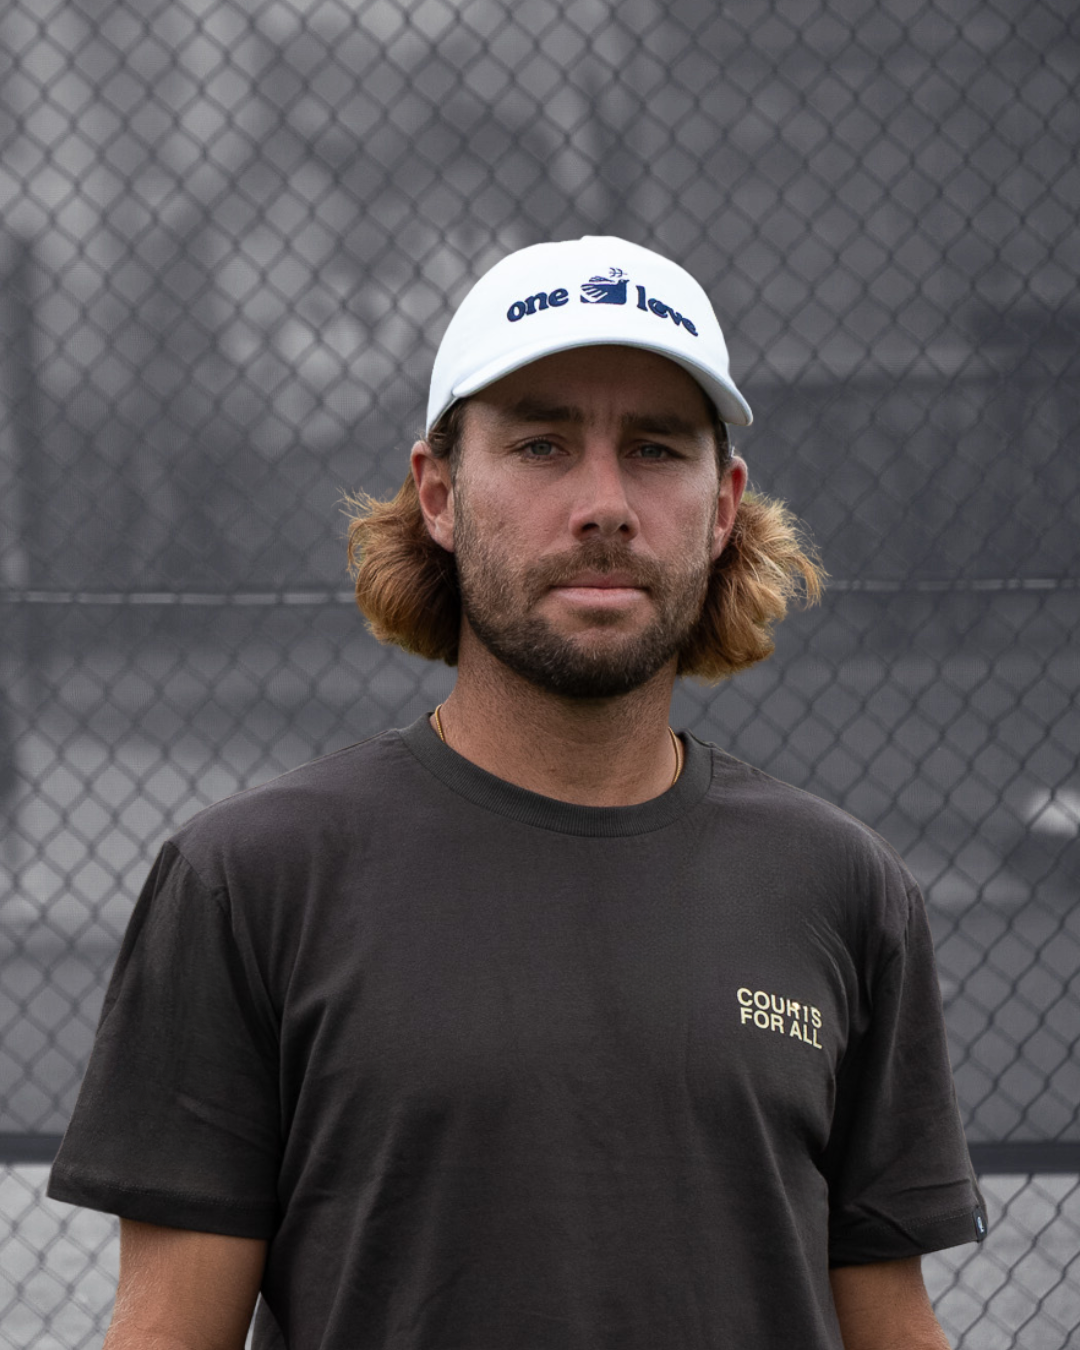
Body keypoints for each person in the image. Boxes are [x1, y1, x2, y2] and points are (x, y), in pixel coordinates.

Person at [49, 236, 986, 1350]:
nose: (603, 504)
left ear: (723, 504)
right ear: (439, 494)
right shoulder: (248, 882)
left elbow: (891, 1322)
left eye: (654, 448)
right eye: (542, 444)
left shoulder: (845, 888)